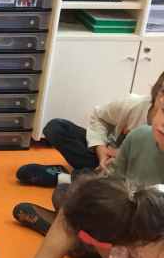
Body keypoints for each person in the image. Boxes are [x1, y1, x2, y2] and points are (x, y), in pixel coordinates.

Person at [0, 102, 164, 258]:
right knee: (76, 196)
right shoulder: (140, 137)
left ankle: (79, 243)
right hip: (118, 231)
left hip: (149, 254)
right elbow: (109, 185)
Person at [13, 71, 164, 239]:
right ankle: (74, 215)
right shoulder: (138, 126)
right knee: (58, 133)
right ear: (157, 94)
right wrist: (101, 149)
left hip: (137, 215)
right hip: (110, 168)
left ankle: (70, 224)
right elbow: (114, 178)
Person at [16, 71, 164, 188]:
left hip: (133, 175)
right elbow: (99, 116)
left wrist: (123, 156)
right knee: (56, 128)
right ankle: (87, 178)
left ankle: (69, 178)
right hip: (108, 160)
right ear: (157, 92)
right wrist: (100, 148)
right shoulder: (133, 106)